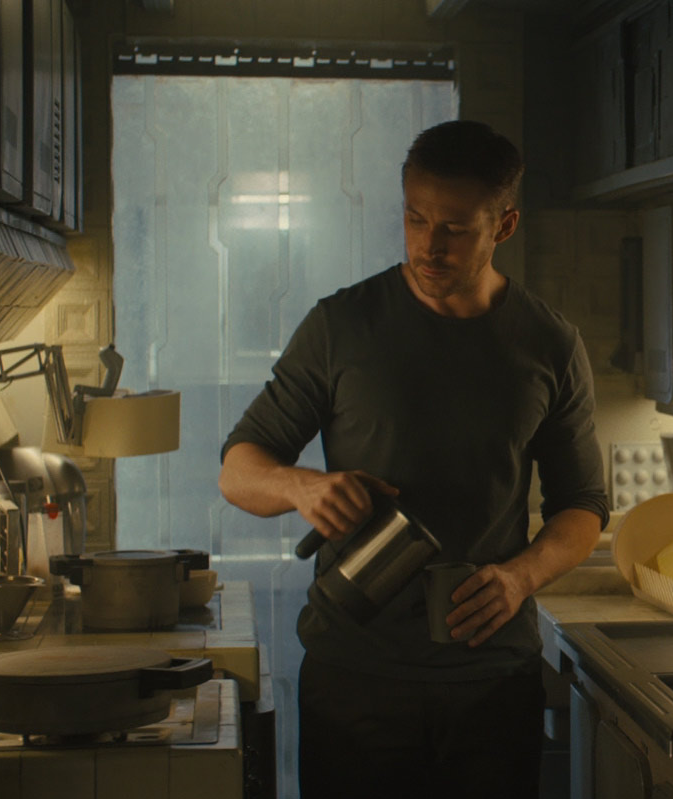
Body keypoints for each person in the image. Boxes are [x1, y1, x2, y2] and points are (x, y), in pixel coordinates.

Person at [216, 119, 608, 798]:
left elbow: (584, 506)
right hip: (355, 683)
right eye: (415, 217)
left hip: (491, 682)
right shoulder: (342, 327)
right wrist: (303, 486)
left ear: (504, 226)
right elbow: (238, 469)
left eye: (454, 227)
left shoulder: (549, 343)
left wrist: (520, 576)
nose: (429, 243)